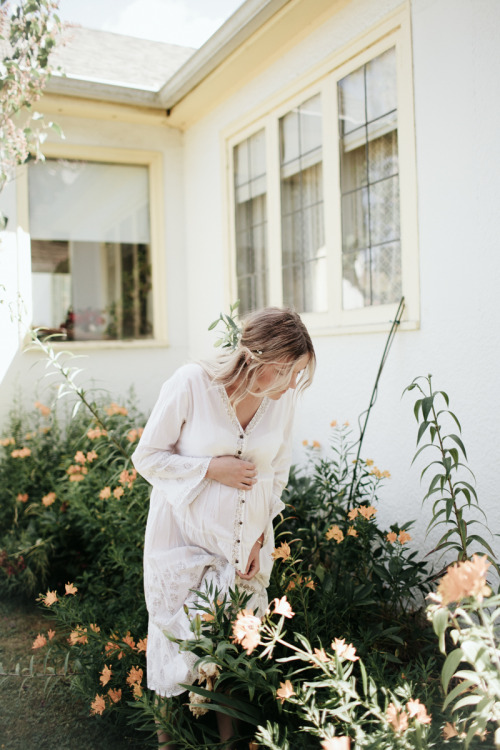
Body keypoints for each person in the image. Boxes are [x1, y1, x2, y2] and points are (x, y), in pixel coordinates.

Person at [132, 307, 315, 748]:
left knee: (229, 645)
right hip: (180, 539)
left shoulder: (280, 398)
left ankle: (230, 743)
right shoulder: (191, 384)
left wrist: (258, 536)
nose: (293, 385)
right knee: (173, 640)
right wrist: (212, 468)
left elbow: (277, 471)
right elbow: (148, 457)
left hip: (241, 544)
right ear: (262, 361)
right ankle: (168, 741)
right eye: (290, 373)